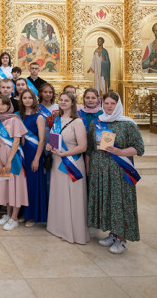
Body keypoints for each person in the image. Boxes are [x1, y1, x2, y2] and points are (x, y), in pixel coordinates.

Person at [86, 92, 144, 254]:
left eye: (112, 103)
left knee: (120, 202)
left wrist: (119, 151)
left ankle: (123, 239)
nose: (109, 106)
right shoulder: (98, 122)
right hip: (101, 171)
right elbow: (91, 148)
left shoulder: (127, 124)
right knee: (108, 201)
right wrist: (90, 167)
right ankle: (113, 234)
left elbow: (139, 148)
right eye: (106, 103)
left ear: (118, 105)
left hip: (119, 171)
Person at [45, 92, 89, 244]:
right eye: (61, 100)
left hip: (72, 163)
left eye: (66, 100)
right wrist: (49, 145)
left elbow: (83, 147)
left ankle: (72, 232)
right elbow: (54, 140)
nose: (63, 103)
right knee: (60, 195)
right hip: (58, 161)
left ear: (72, 103)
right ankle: (59, 227)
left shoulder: (77, 122)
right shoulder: (57, 120)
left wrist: (65, 153)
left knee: (72, 197)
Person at [0, 95, 29, 231]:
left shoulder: (14, 120)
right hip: (1, 156)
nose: (1, 106)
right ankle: (7, 214)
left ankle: (14, 217)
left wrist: (8, 161)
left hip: (13, 157)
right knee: (6, 185)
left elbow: (16, 141)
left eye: (3, 104)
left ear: (9, 105)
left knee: (16, 186)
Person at [18, 88, 48, 226]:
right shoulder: (19, 116)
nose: (27, 100)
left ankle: (32, 216)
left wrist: (37, 159)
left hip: (34, 153)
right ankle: (24, 213)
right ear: (21, 100)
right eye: (25, 98)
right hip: (21, 152)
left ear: (34, 100)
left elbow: (42, 140)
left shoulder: (39, 117)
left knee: (32, 184)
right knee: (22, 184)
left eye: (30, 98)